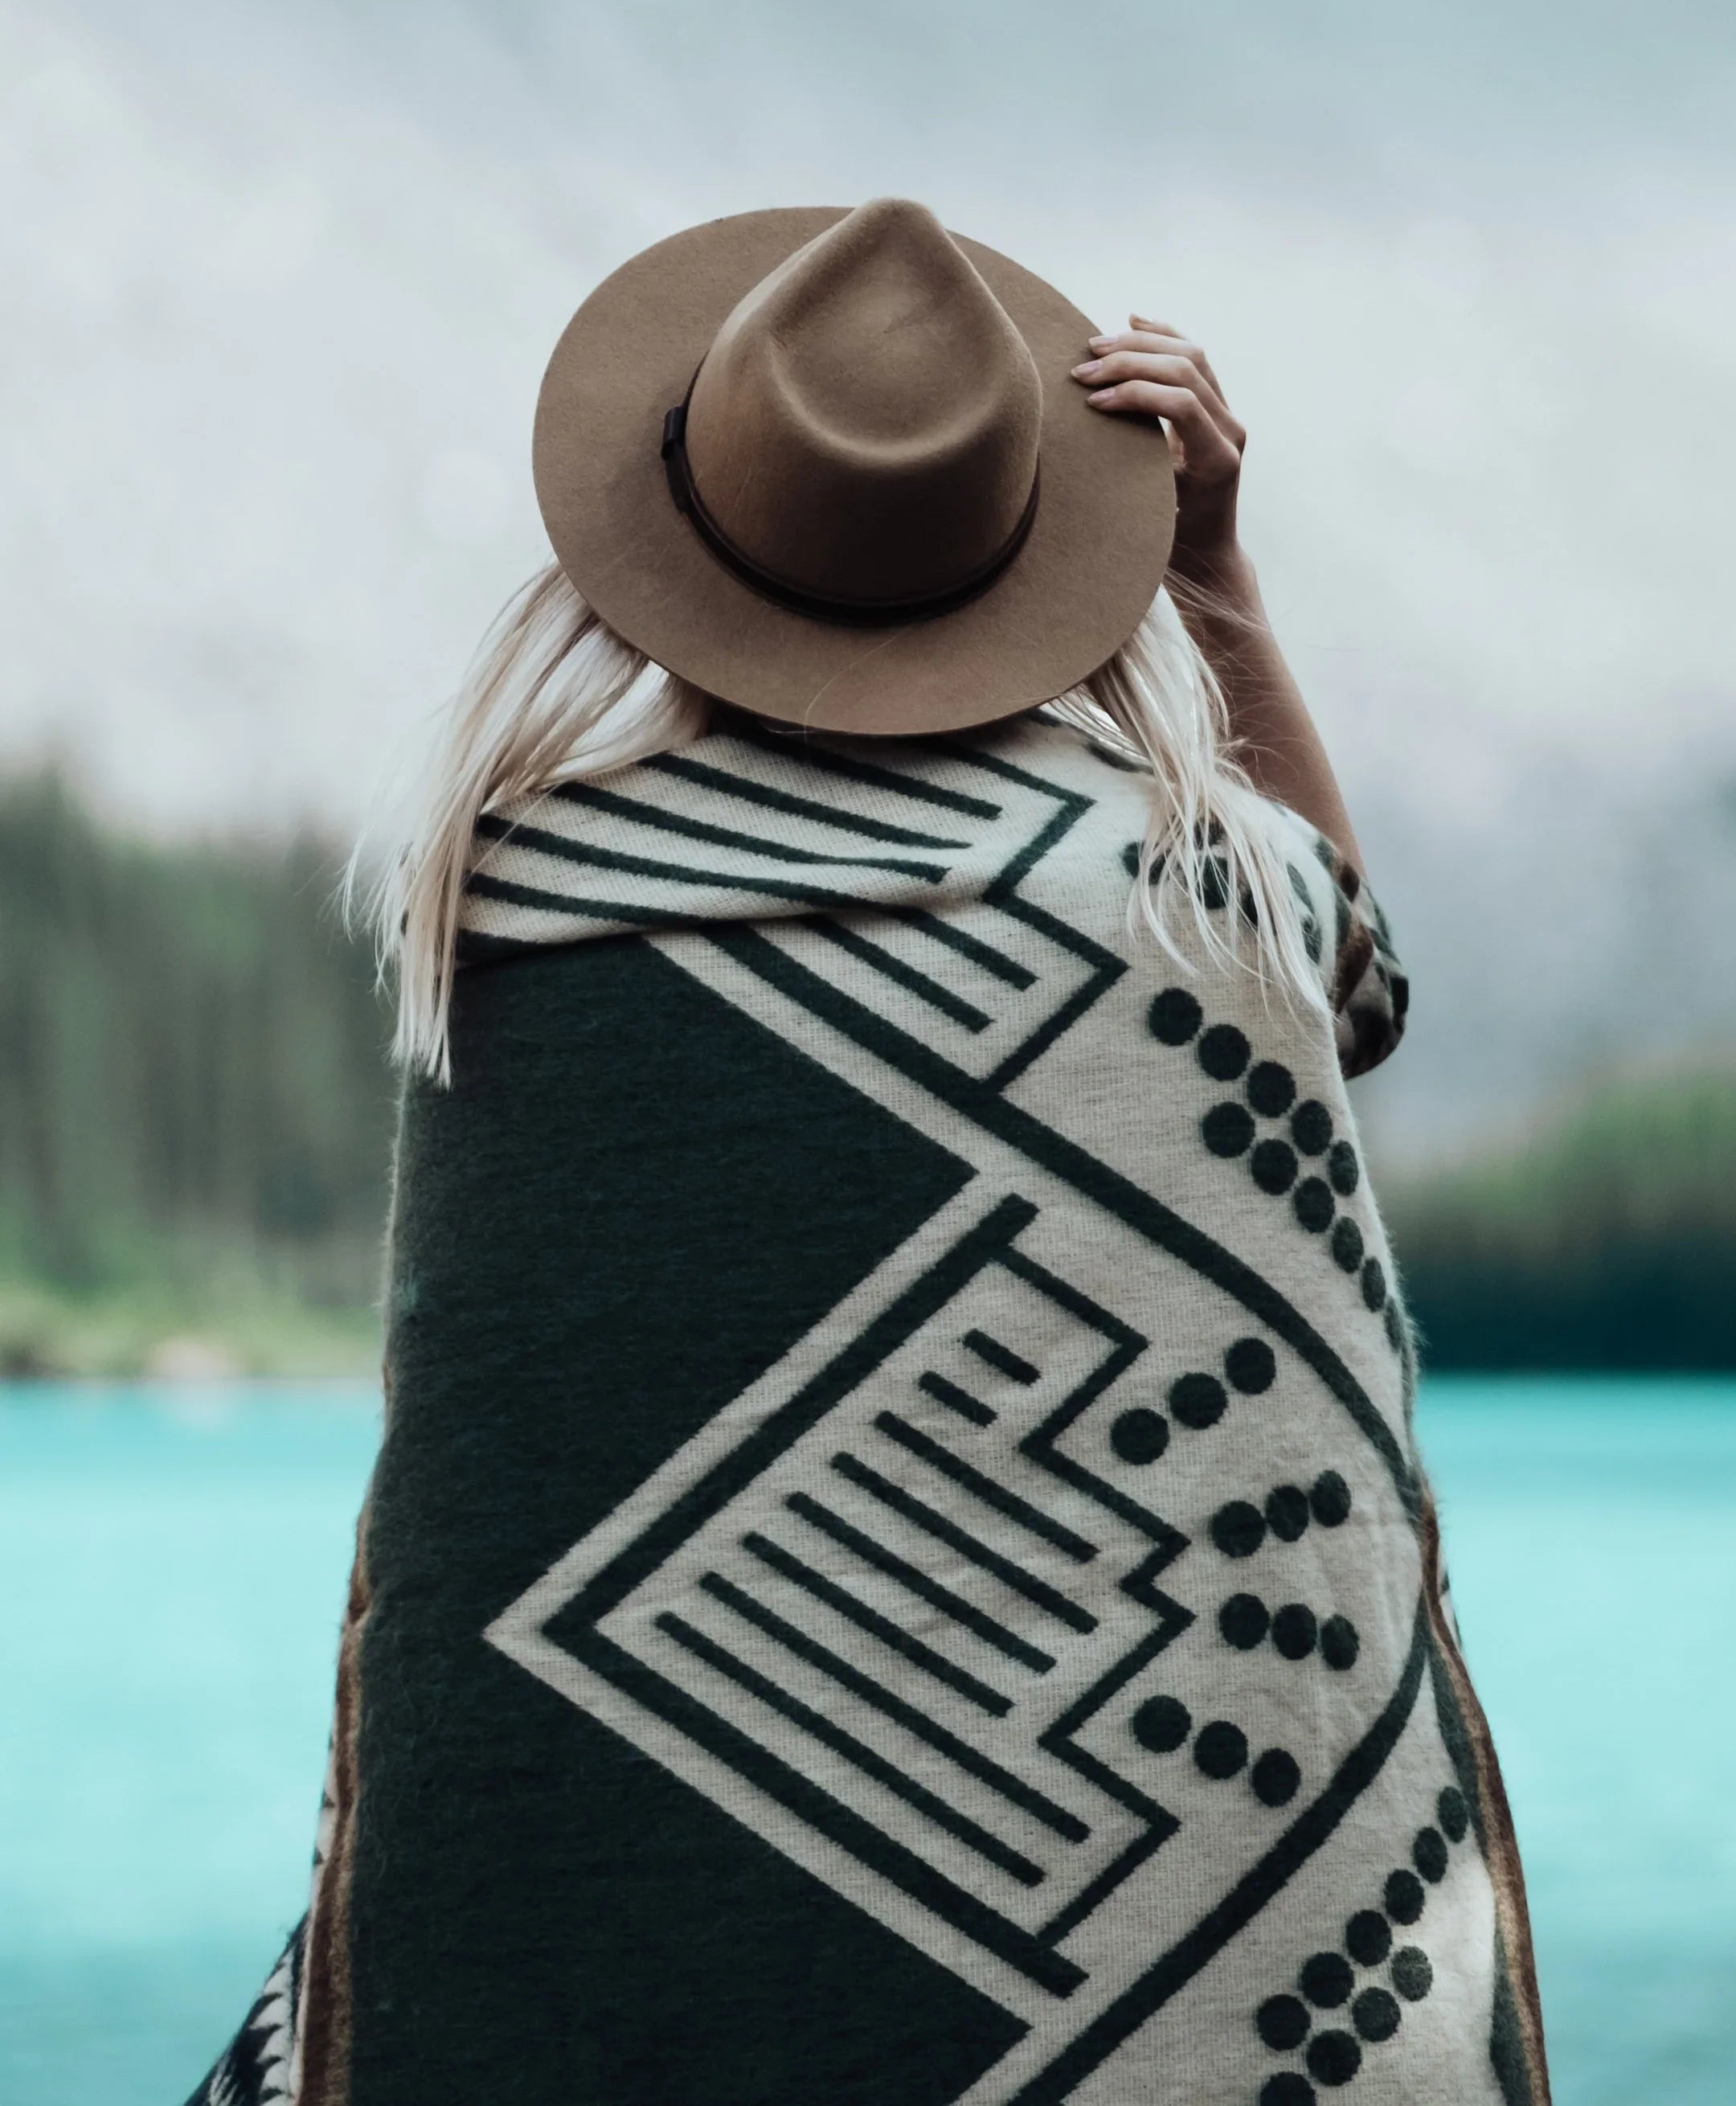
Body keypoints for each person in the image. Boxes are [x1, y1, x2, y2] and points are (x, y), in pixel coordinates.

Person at [190, 199, 1549, 2106]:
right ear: (1044, 552)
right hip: (1153, 1968)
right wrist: (1220, 576)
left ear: (679, 540)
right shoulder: (1192, 901)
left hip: (623, 1931)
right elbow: (1355, 987)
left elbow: (519, 1519)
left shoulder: (510, 898)